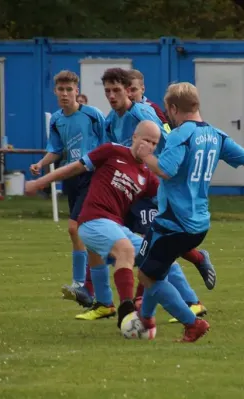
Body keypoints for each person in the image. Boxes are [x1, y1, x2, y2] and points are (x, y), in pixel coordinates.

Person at [134, 82, 244, 343]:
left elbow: (165, 170)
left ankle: (193, 324)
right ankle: (145, 319)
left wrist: (145, 155)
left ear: (173, 108)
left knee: (147, 275)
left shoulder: (181, 134)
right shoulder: (216, 135)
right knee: (155, 269)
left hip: (174, 222)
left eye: (168, 110)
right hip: (198, 223)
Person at [25, 121, 203, 328]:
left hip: (116, 226)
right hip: (92, 220)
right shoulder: (111, 151)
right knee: (125, 249)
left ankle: (189, 317)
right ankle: (126, 312)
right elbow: (73, 168)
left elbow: (171, 198)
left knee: (160, 258)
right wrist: (40, 182)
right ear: (134, 137)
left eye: (154, 143)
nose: (150, 146)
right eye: (146, 139)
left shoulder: (147, 175)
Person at [102, 68, 217, 300]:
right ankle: (103, 298)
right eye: (108, 91)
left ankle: (181, 302)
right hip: (130, 187)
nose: (116, 95)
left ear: (137, 90)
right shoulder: (111, 120)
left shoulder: (146, 112)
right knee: (124, 243)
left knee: (154, 246)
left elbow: (169, 140)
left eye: (127, 89)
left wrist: (164, 168)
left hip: (152, 187)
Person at [29, 70, 106, 303]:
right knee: (82, 233)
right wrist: (41, 163)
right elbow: (56, 149)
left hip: (91, 176)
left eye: (69, 90)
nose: (64, 94)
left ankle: (81, 283)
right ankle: (88, 284)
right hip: (70, 177)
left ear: (77, 91)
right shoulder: (56, 119)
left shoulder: (94, 115)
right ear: (55, 92)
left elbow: (106, 145)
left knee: (75, 228)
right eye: (60, 90)